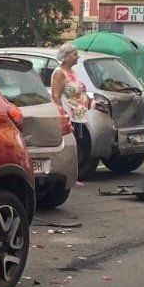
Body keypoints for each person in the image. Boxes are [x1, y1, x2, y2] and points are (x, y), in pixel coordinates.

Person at [50, 43, 92, 183]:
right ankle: (70, 177)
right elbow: (56, 96)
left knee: (79, 146)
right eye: (74, 54)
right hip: (69, 117)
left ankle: (75, 175)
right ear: (66, 57)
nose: (77, 57)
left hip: (79, 117)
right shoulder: (59, 73)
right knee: (72, 147)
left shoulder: (72, 73)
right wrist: (63, 116)